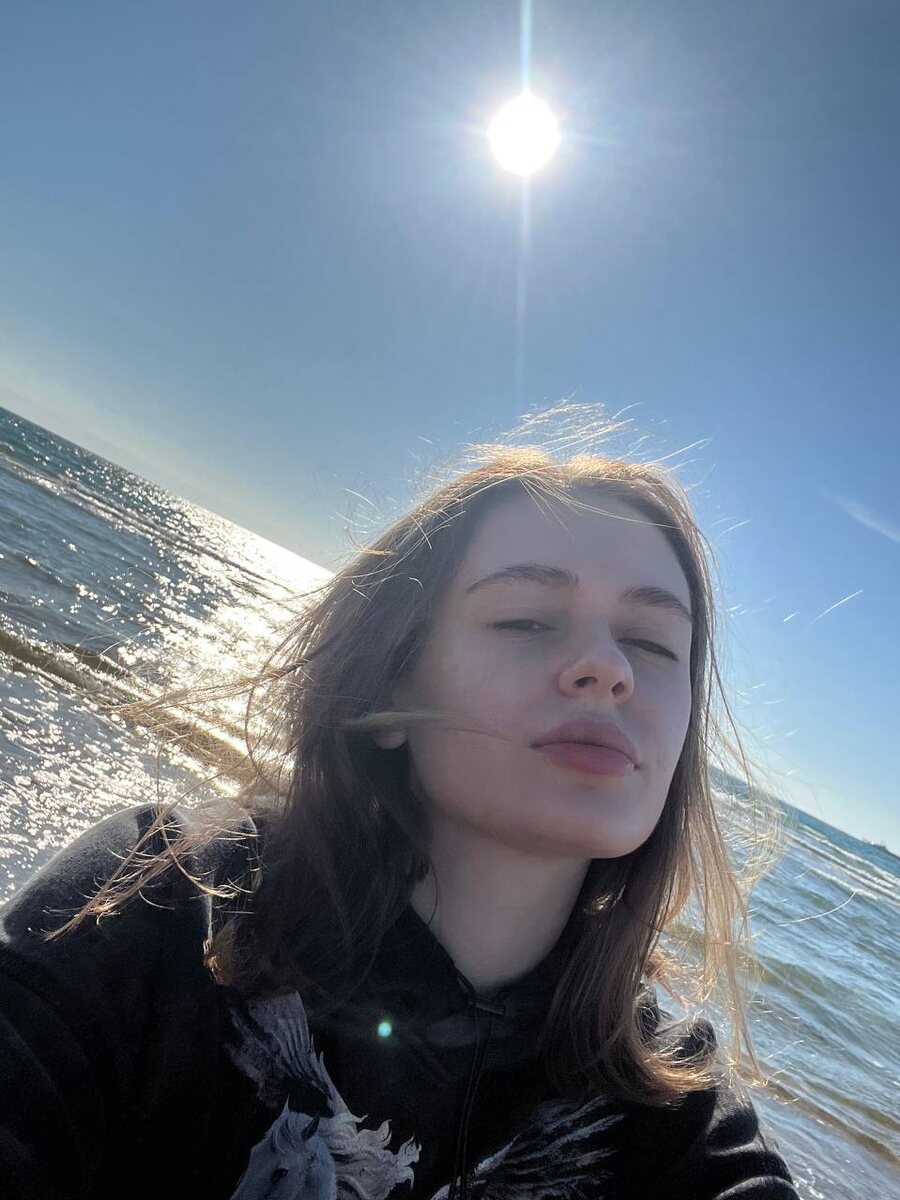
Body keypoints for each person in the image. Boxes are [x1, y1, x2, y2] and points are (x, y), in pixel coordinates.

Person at [0, 435, 799, 1199]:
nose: (610, 667)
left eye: (653, 643)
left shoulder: (674, 1109)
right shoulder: (166, 902)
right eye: (525, 619)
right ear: (390, 684)